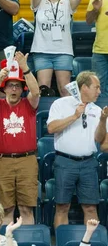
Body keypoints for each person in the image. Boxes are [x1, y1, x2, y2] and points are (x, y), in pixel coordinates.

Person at [0, 52, 41, 225]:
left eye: (17, 86)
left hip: (27, 160)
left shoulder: (28, 104)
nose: (14, 89)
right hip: (3, 162)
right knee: (6, 209)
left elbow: (36, 91)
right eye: (10, 86)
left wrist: (25, 69)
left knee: (26, 208)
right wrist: (0, 77)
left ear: (22, 89)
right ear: (5, 88)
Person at [47, 71, 108, 227]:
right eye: (97, 87)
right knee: (62, 206)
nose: (99, 92)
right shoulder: (60, 104)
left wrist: (102, 121)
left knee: (90, 207)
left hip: (88, 163)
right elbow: (51, 128)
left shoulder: (96, 110)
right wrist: (74, 116)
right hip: (65, 162)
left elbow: (99, 140)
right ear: (84, 87)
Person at [31, 0, 83, 97]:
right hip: (42, 52)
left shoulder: (67, 3)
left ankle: (68, 118)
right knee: (43, 90)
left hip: (63, 52)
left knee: (65, 91)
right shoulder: (39, 2)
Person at [87, 0, 108, 97]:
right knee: (99, 93)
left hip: (100, 50)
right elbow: (89, 20)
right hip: (100, 50)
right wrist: (95, 10)